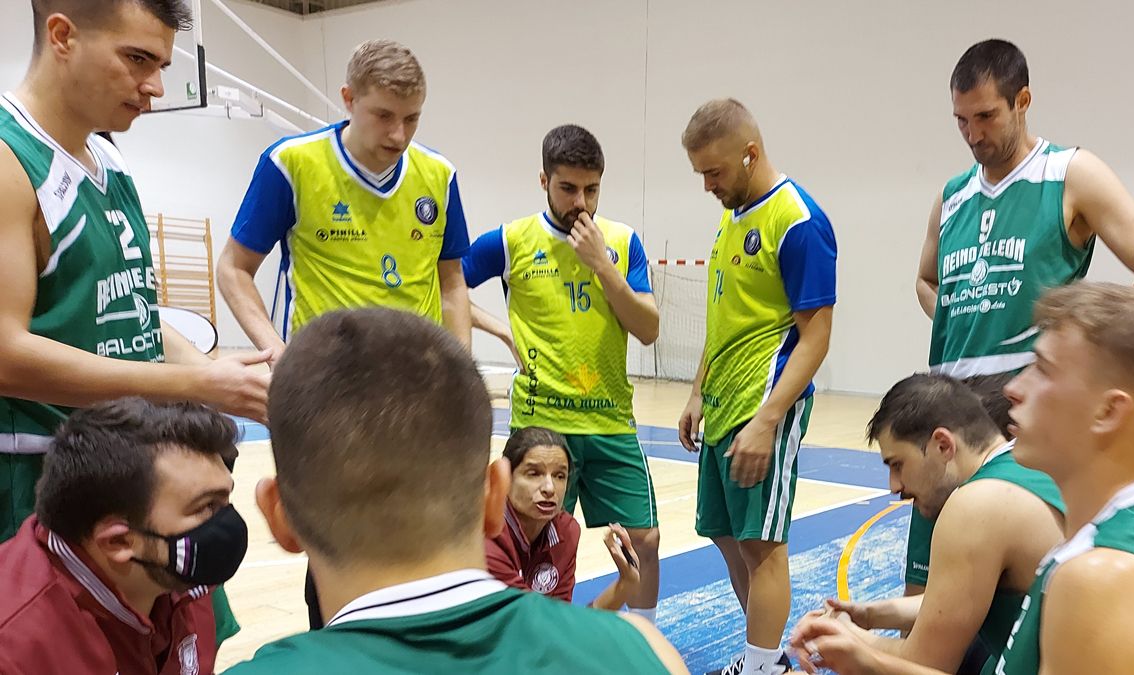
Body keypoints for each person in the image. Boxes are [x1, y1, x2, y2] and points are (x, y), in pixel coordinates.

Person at [0, 0, 268, 644]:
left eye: (163, 64)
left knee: (176, 648)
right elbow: (6, 354)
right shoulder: (10, 161)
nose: (155, 86)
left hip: (140, 474)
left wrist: (221, 374)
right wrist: (195, 388)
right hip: (38, 481)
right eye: (137, 59)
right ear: (61, 35)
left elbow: (137, 311)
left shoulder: (109, 160)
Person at [224, 308, 687, 674]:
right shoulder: (648, 653)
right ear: (494, 496)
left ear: (279, 517)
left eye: (558, 478)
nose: (549, 489)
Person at [791, 282, 1134, 675]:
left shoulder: (1097, 579)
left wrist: (864, 654)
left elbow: (927, 660)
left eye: (1042, 369)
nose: (1015, 388)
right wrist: (865, 644)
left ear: (1108, 413)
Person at [906, 37, 1134, 598]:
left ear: (1022, 100)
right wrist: (963, 320)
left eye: (985, 116)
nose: (973, 135)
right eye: (961, 121)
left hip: (1021, 417)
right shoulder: (953, 195)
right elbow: (925, 279)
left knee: (1023, 594)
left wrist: (1084, 359)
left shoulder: (1070, 172)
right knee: (929, 591)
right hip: (949, 411)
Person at [464, 124, 662, 623]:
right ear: (544, 181)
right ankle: (540, 641)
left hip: (610, 420)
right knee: (533, 540)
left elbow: (647, 328)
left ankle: (642, 643)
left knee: (645, 538)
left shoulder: (622, 241)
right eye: (568, 188)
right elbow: (443, 286)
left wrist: (603, 265)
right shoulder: (509, 240)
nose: (581, 201)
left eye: (591, 189)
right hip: (542, 425)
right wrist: (500, 330)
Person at [677, 98, 837, 675]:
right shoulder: (731, 216)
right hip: (721, 407)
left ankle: (764, 666)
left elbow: (816, 339)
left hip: (762, 408)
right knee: (725, 536)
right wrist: (697, 389)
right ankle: (768, 658)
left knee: (763, 547)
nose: (707, 186)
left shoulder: (797, 221)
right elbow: (724, 318)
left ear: (751, 153)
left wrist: (768, 419)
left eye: (714, 172)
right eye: (700, 174)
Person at [217, 38, 472, 358]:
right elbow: (233, 268)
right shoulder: (291, 164)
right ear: (349, 99)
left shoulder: (440, 175)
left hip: (413, 383)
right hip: (323, 379)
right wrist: (277, 353)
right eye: (384, 116)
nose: (399, 135)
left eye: (411, 119)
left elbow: (452, 284)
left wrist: (462, 371)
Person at [794, 374, 1064, 673]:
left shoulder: (976, 505)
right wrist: (869, 615)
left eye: (898, 465)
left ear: (943, 445)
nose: (894, 486)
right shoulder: (1027, 466)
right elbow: (951, 604)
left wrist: (843, 637)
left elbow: (924, 664)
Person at [0, 398, 248, 675]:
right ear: (118, 542)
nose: (227, 522)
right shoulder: (15, 652)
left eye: (226, 499)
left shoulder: (183, 580)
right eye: (207, 506)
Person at [487, 426, 641, 611]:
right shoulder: (486, 538)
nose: (549, 488)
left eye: (559, 476)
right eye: (534, 473)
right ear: (505, 478)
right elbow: (538, 624)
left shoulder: (566, 532)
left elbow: (559, 620)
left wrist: (625, 584)